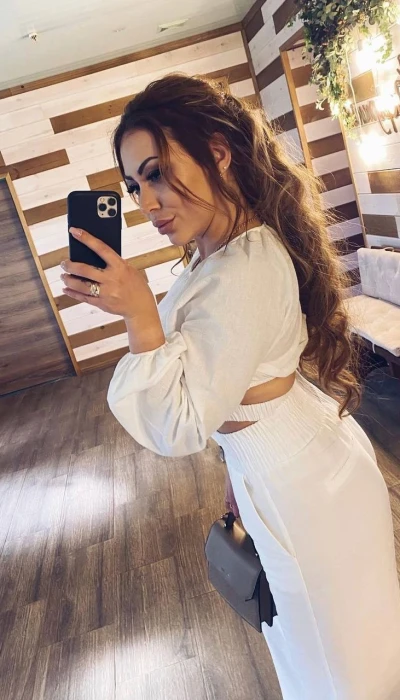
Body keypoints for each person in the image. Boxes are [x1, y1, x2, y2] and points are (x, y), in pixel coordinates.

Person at [61, 74, 400, 700]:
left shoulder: (243, 268)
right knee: (328, 649)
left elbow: (179, 424)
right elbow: (229, 383)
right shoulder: (221, 253)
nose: (146, 202)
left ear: (218, 151)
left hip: (303, 486)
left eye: (157, 173)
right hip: (288, 461)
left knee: (338, 667)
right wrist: (238, 468)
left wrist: (140, 315)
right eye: (134, 186)